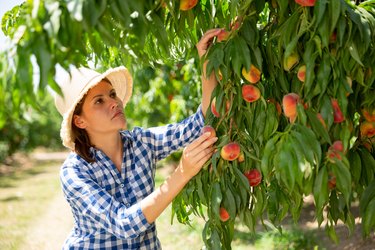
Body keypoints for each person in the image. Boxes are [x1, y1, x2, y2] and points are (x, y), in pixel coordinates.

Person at [54, 29, 222, 249]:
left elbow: (199, 123)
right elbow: (122, 224)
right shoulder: (75, 171)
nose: (114, 102)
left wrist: (206, 60)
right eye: (99, 101)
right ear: (80, 121)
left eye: (112, 95)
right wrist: (182, 173)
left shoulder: (141, 142)